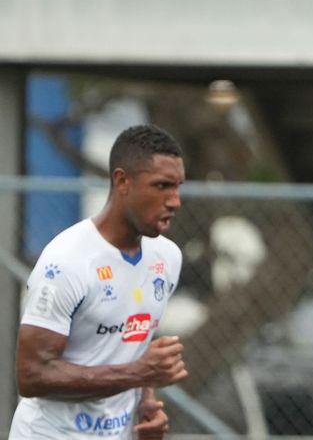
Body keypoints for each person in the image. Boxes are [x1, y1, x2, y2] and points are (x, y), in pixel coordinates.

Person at [9, 124, 189, 439]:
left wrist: (146, 402)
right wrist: (137, 373)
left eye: (177, 187)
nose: (175, 201)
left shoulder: (167, 258)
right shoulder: (67, 262)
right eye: (162, 186)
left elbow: (134, 345)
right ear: (122, 181)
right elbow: (32, 375)